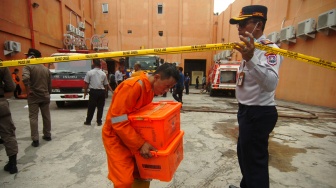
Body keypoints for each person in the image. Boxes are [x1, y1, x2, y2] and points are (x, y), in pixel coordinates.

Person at [228, 5, 283, 188]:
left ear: (258, 25)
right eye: (238, 24)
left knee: (255, 163)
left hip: (258, 113)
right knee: (245, 157)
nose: (239, 28)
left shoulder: (269, 50)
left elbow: (270, 84)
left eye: (243, 23)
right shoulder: (249, 48)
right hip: (247, 112)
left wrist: (251, 59)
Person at [102, 63, 179, 188]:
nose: (166, 91)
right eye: (167, 86)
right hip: (116, 137)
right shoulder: (132, 87)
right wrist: (140, 144)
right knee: (124, 181)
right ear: (157, 77)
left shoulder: (149, 90)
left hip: (134, 134)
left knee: (143, 173)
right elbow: (118, 120)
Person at [22, 48, 52, 147]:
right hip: (45, 95)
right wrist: (48, 93)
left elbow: (25, 78)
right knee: (46, 116)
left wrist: (28, 90)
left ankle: (35, 139)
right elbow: (49, 84)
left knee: (33, 117)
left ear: (32, 56)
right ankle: (47, 135)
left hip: (34, 96)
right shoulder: (45, 69)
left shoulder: (28, 66)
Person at [0, 59, 19, 174]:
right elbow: (11, 86)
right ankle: (12, 164)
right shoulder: (2, 64)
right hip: (1, 104)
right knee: (8, 133)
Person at [83, 59, 109, 126]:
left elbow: (86, 83)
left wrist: (85, 92)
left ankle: (88, 121)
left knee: (91, 107)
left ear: (94, 64)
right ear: (100, 65)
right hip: (101, 92)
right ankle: (99, 121)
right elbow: (106, 84)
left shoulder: (89, 72)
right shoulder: (103, 73)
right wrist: (105, 92)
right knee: (100, 107)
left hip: (93, 92)